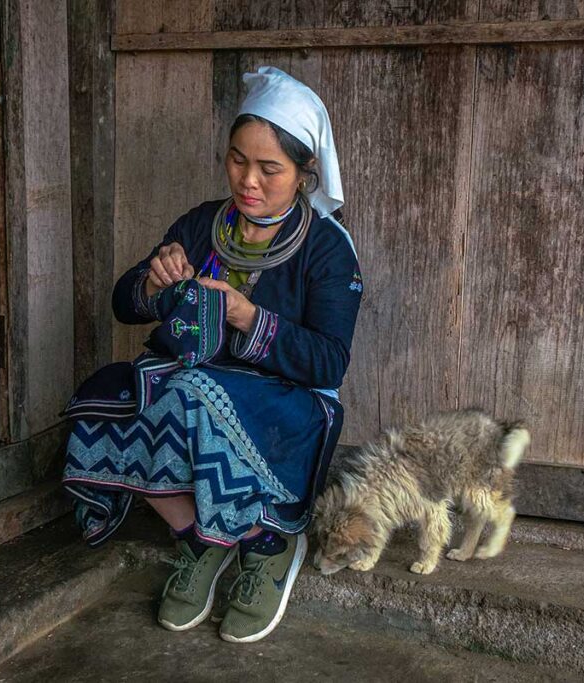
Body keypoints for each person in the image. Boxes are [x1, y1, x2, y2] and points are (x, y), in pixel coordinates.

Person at [62, 66, 362, 643]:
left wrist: (248, 317)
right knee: (104, 396)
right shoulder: (203, 225)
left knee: (191, 394)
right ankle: (199, 537)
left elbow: (328, 363)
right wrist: (153, 282)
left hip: (284, 407)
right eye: (236, 160)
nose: (248, 180)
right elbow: (126, 303)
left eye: (270, 168)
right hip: (192, 384)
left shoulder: (327, 248)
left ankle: (268, 543)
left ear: (304, 174)